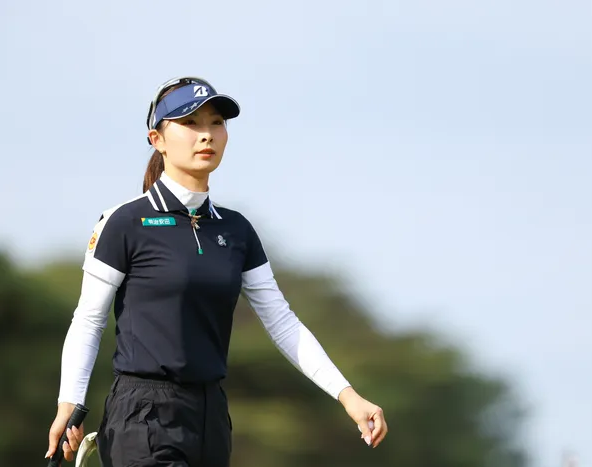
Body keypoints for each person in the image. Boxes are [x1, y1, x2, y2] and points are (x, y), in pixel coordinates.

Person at [45, 76, 388, 467]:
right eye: (189, 123)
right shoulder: (124, 222)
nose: (206, 134)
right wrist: (69, 403)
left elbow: (282, 322)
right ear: (157, 139)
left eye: (216, 123)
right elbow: (89, 320)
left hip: (210, 418)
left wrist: (348, 396)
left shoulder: (237, 229)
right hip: (142, 414)